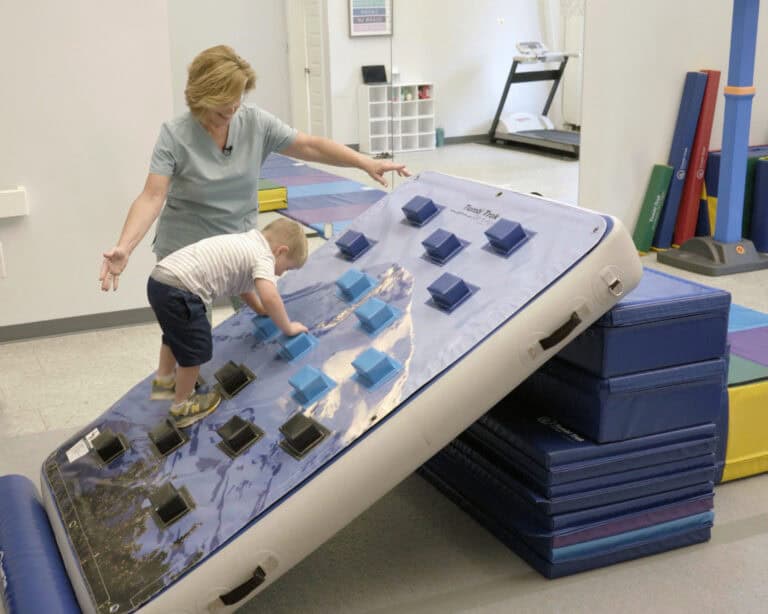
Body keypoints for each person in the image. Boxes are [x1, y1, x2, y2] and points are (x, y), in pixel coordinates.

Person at [100, 44, 410, 293]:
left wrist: (365, 161)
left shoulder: (254, 122)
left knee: (261, 319)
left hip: (240, 243)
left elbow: (310, 145)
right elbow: (152, 196)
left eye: (238, 99)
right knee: (189, 339)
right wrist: (125, 247)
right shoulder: (175, 134)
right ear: (202, 96)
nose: (233, 109)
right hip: (187, 248)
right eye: (225, 103)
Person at [147, 218, 309, 427]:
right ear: (281, 251)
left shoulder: (245, 242)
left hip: (160, 280)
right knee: (195, 349)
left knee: (174, 334)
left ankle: (164, 382)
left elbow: (243, 286)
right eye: (286, 268)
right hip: (181, 290)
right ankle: (183, 407)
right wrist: (287, 326)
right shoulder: (264, 256)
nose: (281, 273)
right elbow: (270, 296)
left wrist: (259, 309)